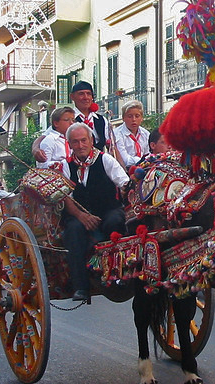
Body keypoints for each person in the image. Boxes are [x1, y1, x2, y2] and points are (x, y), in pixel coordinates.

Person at [60, 123, 129, 301]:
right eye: (75, 142)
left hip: (107, 210)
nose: (80, 145)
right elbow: (65, 197)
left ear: (91, 141)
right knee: (73, 231)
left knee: (116, 222)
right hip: (78, 214)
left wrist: (127, 192)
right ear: (70, 144)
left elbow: (124, 183)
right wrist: (81, 216)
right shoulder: (66, 166)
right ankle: (81, 287)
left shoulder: (106, 160)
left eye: (84, 140)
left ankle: (119, 273)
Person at [33, 81, 113, 162]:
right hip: (76, 167)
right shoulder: (68, 118)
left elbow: (110, 145)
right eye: (81, 94)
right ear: (72, 97)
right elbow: (44, 137)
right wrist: (35, 149)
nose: (86, 97)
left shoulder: (102, 120)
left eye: (88, 94)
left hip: (98, 166)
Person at [114, 100, 150, 167]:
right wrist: (143, 161)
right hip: (123, 170)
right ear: (123, 118)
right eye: (130, 116)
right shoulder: (117, 134)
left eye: (137, 116)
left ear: (142, 118)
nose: (134, 119)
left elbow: (147, 154)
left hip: (143, 169)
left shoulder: (145, 134)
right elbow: (125, 160)